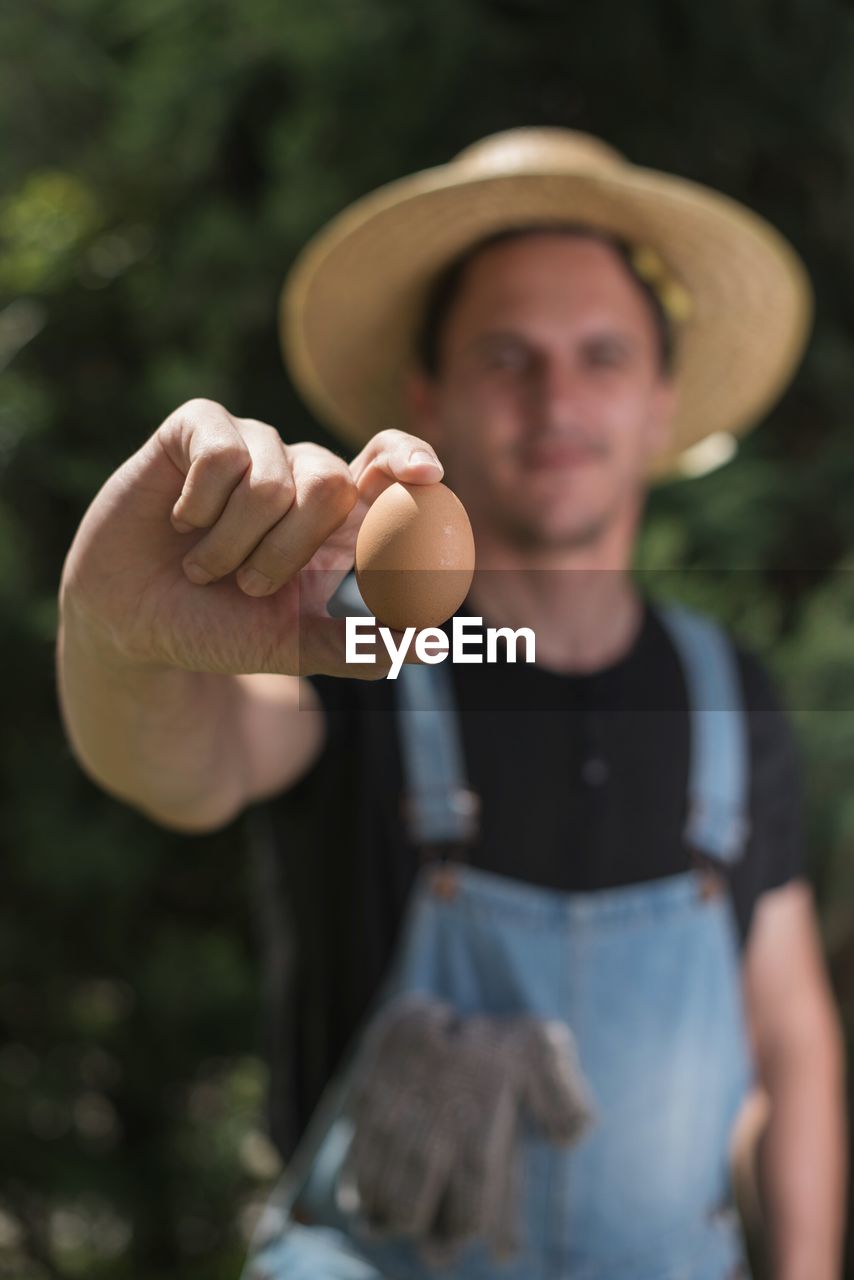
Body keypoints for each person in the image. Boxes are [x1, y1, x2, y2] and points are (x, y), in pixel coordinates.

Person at [56, 129, 847, 1279]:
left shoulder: (729, 701)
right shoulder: (352, 649)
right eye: (503, 356)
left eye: (599, 355)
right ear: (425, 396)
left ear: (658, 401)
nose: (555, 395)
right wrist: (114, 633)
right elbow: (183, 766)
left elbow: (790, 1042)